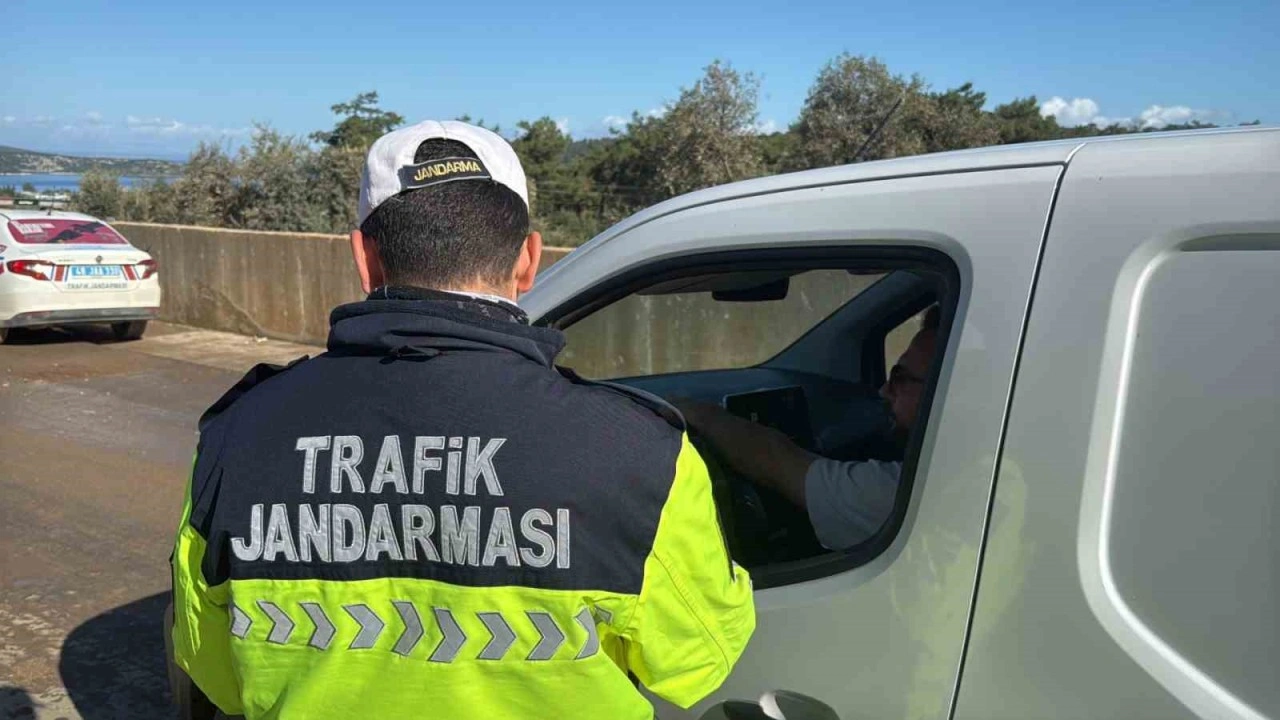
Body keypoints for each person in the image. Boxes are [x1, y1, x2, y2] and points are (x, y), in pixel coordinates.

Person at [169, 120, 754, 720]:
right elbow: (700, 659)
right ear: (529, 259)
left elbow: (213, 669)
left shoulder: (237, 436)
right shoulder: (639, 454)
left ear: (363, 258)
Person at [678, 305, 940, 550]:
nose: (883, 391)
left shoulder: (897, 493)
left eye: (900, 379)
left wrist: (696, 415)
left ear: (945, 391)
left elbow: (776, 463)